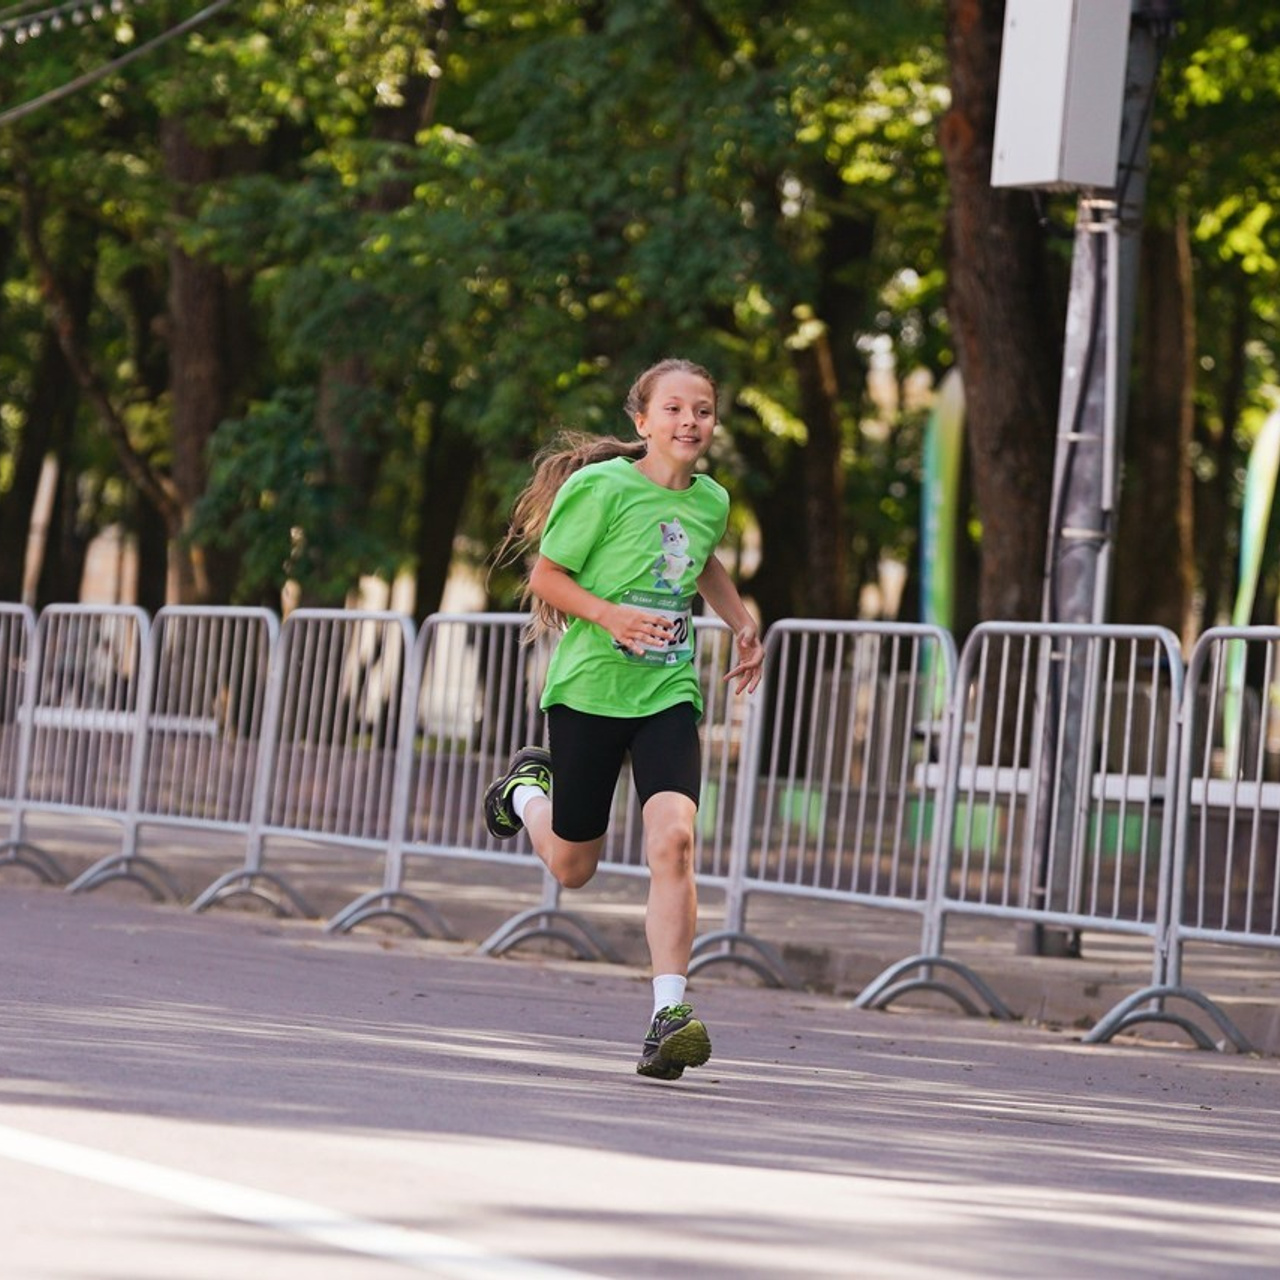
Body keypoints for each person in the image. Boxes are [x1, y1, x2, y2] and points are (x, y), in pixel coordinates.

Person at [484, 357, 765, 1081]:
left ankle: (668, 1012)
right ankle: (526, 792)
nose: (689, 422)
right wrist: (610, 616)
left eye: (701, 409)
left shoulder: (710, 501)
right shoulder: (599, 487)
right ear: (643, 422)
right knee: (575, 867)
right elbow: (547, 576)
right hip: (587, 693)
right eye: (673, 409)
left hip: (667, 694)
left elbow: (702, 561)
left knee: (674, 840)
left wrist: (741, 622)